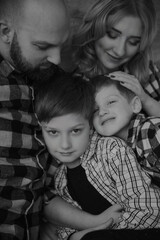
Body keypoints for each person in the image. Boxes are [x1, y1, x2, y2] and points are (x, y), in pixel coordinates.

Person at [0, 1, 113, 239]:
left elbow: (45, 187)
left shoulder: (54, 80)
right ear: (5, 32)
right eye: (43, 46)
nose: (56, 59)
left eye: (61, 46)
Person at [35, 72, 160, 240]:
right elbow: (66, 226)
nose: (102, 112)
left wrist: (92, 234)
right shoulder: (60, 179)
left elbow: (147, 210)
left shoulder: (137, 138)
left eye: (76, 131)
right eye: (95, 110)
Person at [72, 0, 160, 117]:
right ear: (95, 28)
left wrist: (145, 99)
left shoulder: (147, 71)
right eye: (112, 35)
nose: (120, 51)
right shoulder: (76, 85)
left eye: (133, 42)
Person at [91, 75, 160, 186]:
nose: (101, 112)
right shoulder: (111, 151)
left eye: (111, 102)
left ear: (135, 105)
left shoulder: (151, 131)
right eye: (94, 110)